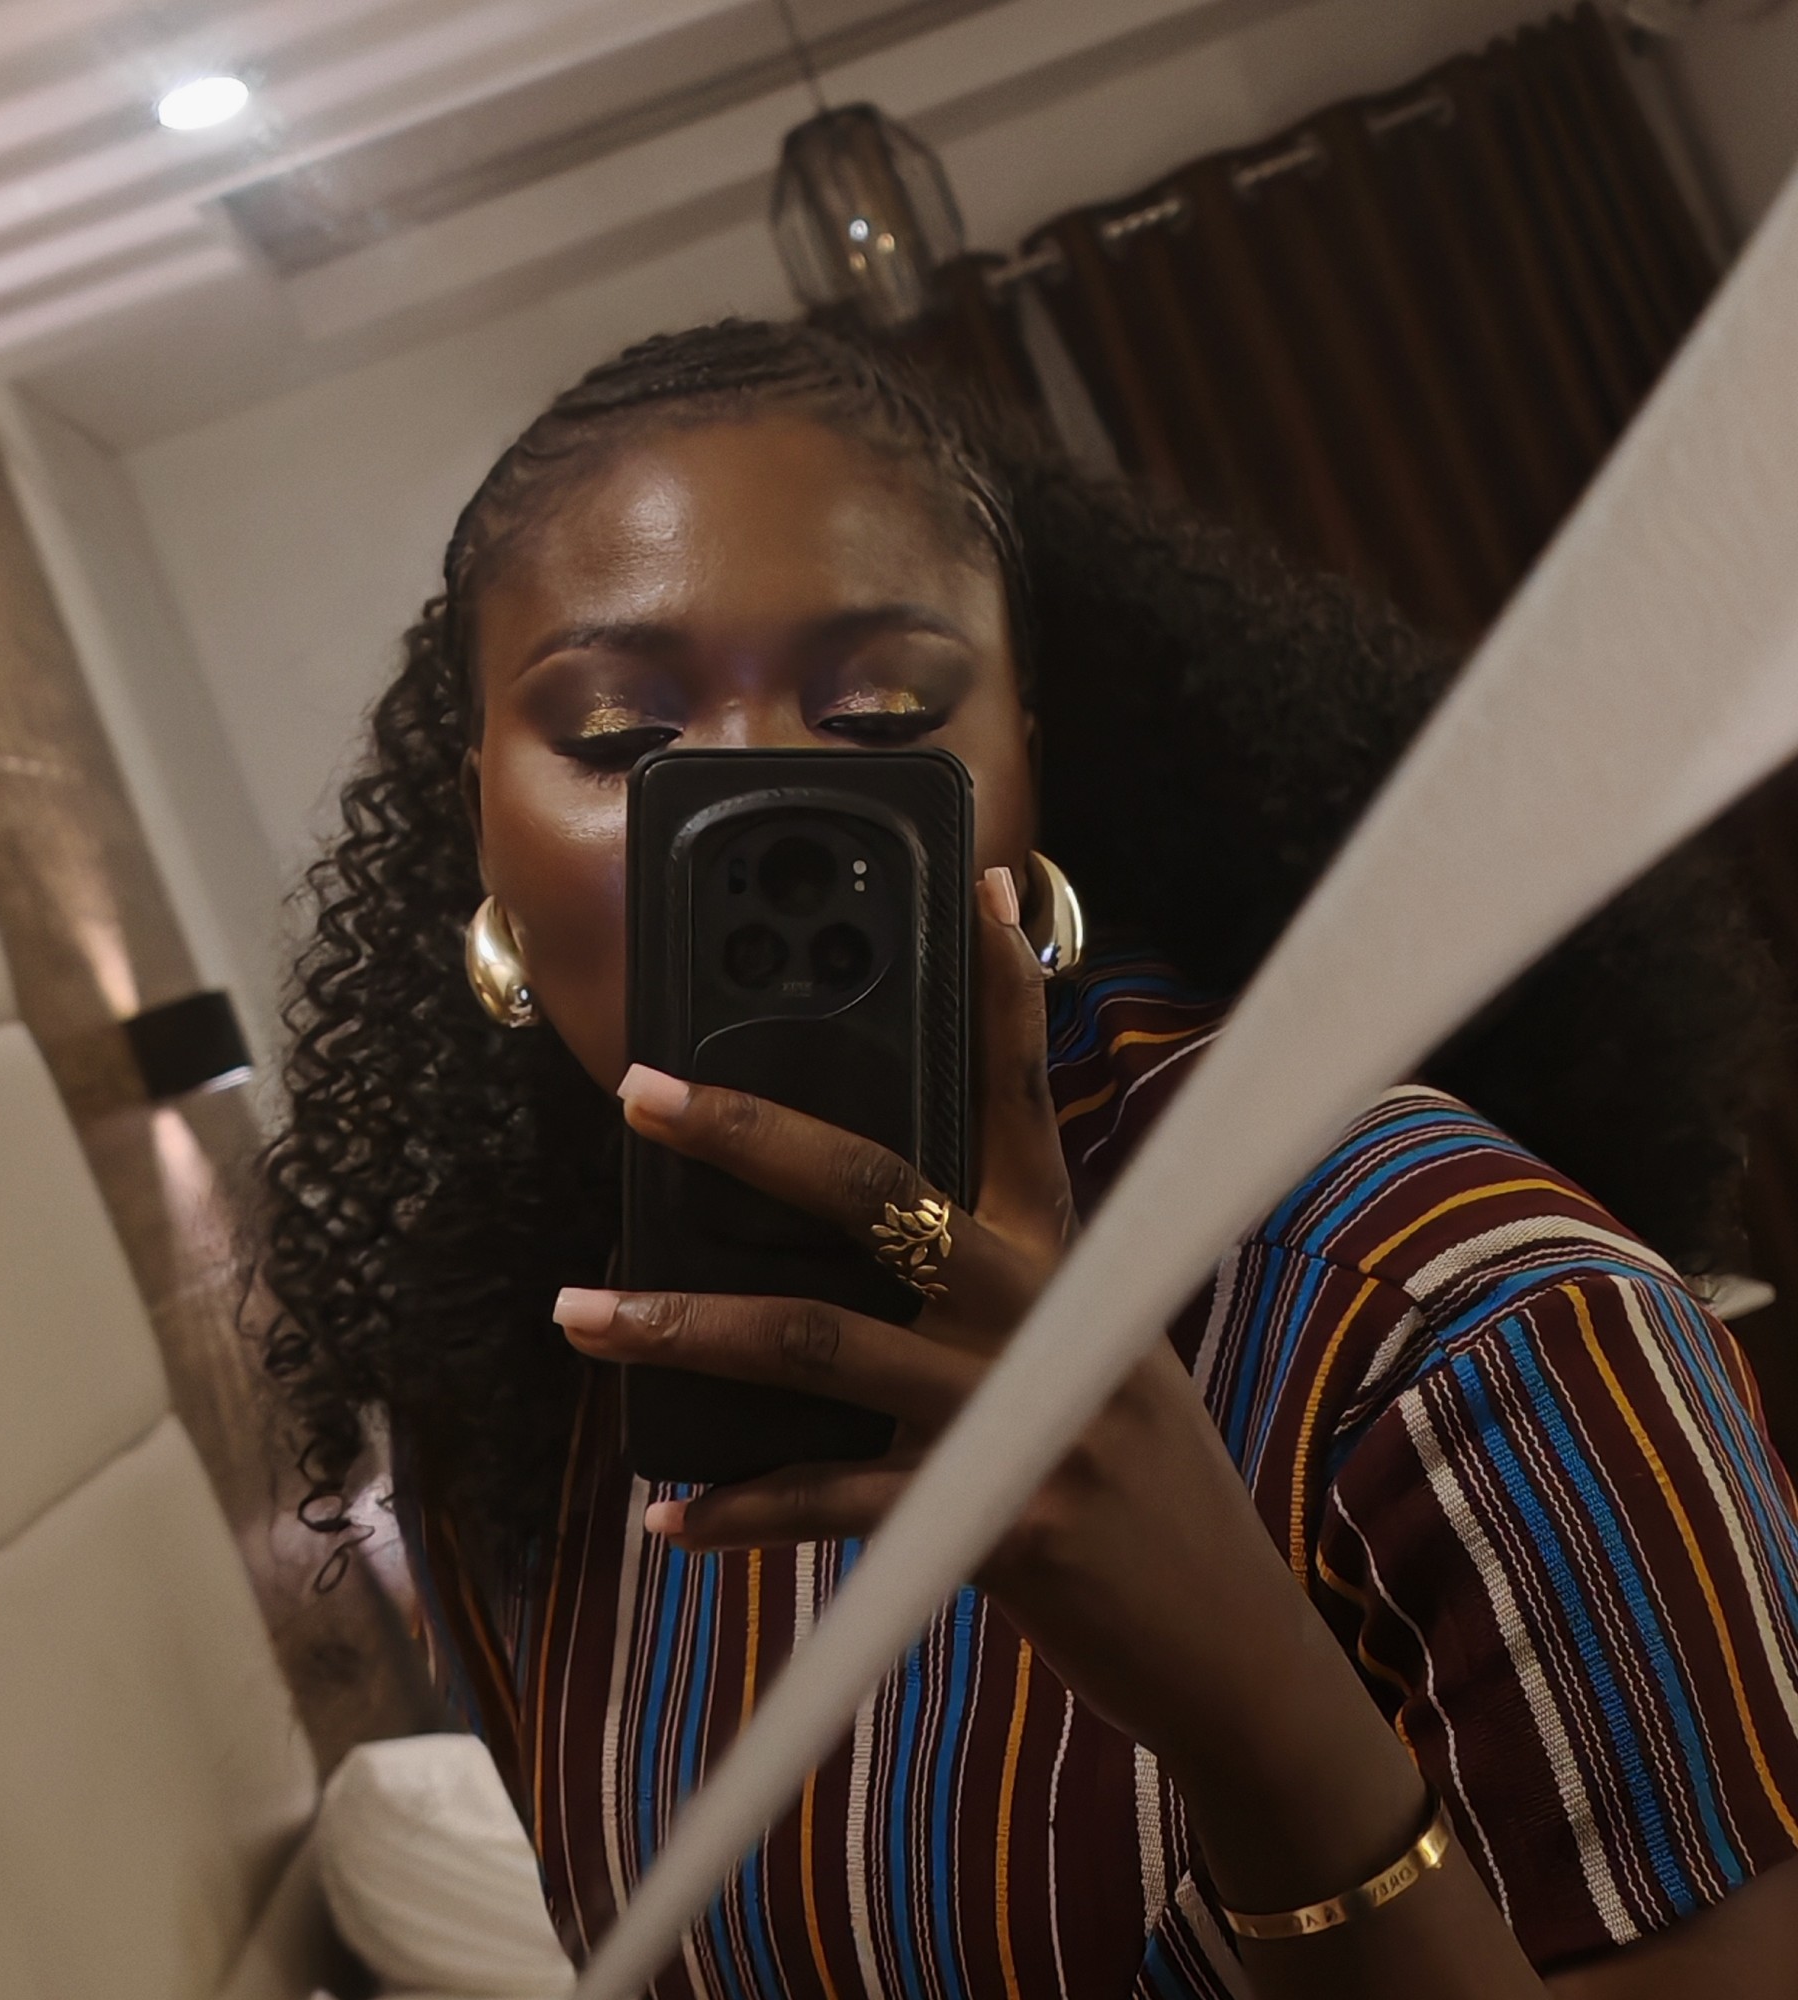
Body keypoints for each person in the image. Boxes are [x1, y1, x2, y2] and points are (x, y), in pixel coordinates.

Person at [261, 319, 1798, 1998]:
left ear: (1025, 774)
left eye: (879, 710)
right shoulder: (506, 1397)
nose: (757, 807)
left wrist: (1254, 1709)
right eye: (622, 735)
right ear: (481, 827)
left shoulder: (1459, 1316)